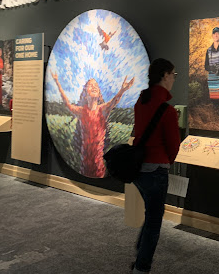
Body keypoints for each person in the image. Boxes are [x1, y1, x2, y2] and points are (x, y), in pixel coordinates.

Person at [132, 58, 180, 274]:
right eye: (174, 75)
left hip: (139, 169)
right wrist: (167, 161)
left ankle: (140, 249)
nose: (174, 80)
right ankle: (141, 267)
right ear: (165, 76)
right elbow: (173, 145)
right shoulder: (167, 111)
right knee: (154, 220)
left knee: (150, 213)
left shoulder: (140, 103)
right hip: (156, 169)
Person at [51, 73, 134, 178]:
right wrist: (57, 82)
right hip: (84, 164)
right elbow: (67, 104)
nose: (94, 86)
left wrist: (122, 90)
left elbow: (114, 101)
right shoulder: (81, 111)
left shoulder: (102, 110)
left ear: (99, 94)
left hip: (98, 165)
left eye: (96, 85)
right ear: (85, 94)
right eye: (90, 85)